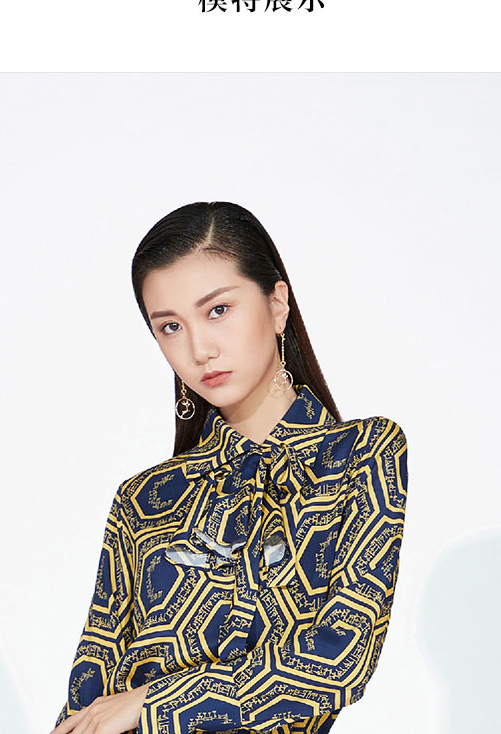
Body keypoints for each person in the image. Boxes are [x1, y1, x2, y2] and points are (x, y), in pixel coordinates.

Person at [51, 201, 409, 734]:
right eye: (170, 326)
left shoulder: (360, 454)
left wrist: (150, 702)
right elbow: (89, 699)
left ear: (277, 304)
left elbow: (338, 660)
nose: (199, 349)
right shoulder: (144, 499)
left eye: (218, 310)